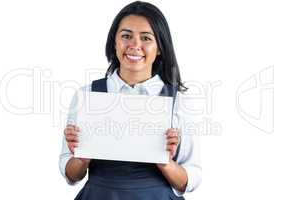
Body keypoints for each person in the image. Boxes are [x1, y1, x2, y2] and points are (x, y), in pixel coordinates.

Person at [59, 1, 201, 199]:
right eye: (126, 36)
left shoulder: (178, 101)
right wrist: (81, 159)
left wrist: (166, 162)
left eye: (146, 38)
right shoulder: (88, 95)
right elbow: (71, 174)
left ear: (159, 47)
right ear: (114, 42)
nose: (135, 45)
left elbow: (190, 178)